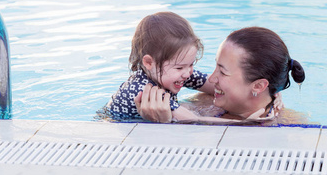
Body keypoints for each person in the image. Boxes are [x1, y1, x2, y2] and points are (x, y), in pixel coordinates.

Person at [107, 12, 274, 123]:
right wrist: (242, 123)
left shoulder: (171, 72)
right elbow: (193, 120)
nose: (188, 73)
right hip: (117, 128)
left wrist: (267, 91)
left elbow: (215, 86)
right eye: (180, 68)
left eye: (191, 64)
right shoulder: (141, 90)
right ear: (149, 63)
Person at [135, 26, 305, 124]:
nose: (211, 79)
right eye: (215, 66)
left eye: (222, 72)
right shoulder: (207, 101)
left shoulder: (288, 126)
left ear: (259, 86)